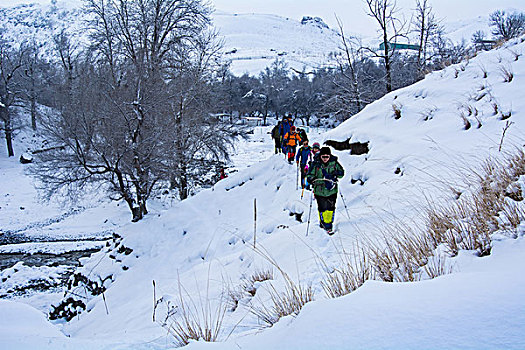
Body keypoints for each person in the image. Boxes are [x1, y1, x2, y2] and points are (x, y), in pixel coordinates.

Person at [306, 146, 344, 235]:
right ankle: (323, 224)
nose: (325, 159)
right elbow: (309, 175)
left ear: (330, 156)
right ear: (320, 156)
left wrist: (336, 175)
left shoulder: (334, 163)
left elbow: (342, 173)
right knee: (322, 208)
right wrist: (311, 179)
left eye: (327, 156)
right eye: (323, 157)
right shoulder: (315, 164)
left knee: (330, 208)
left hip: (332, 190)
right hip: (319, 191)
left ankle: (328, 225)